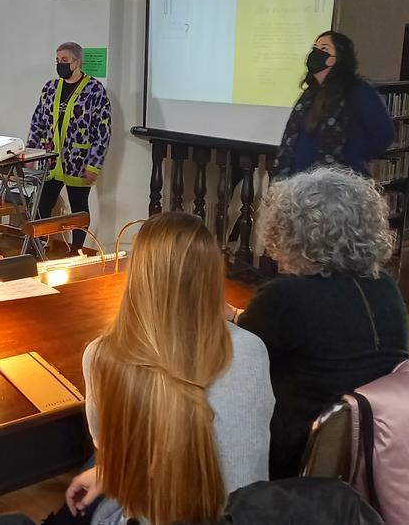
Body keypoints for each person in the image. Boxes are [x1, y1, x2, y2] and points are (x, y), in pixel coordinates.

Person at [64, 212, 273, 524]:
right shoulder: (252, 349)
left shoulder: (101, 355)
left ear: (138, 274)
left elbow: (115, 452)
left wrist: (108, 471)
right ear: (213, 272)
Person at [237, 167, 409, 479]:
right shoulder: (384, 285)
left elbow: (232, 360)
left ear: (291, 232)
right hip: (373, 453)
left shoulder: (286, 296)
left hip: (297, 453)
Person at [27, 42, 113, 254]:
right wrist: (31, 151)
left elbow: (102, 131)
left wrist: (94, 165)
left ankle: (77, 251)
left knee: (78, 208)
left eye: (64, 61)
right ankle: (36, 247)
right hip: (51, 160)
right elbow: (37, 121)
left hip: (79, 161)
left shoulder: (95, 90)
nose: (60, 65)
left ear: (77, 62)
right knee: (41, 205)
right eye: (57, 61)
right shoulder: (50, 88)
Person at [273, 31, 394, 178]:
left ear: (337, 58)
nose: (316, 53)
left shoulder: (359, 91)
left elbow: (384, 135)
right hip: (299, 182)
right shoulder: (310, 94)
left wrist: (354, 155)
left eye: (324, 49)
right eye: (315, 48)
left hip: (339, 182)